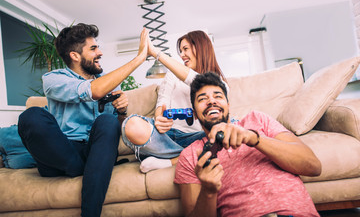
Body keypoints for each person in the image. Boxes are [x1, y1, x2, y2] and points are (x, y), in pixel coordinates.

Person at [17, 23, 149, 217]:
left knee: (107, 121)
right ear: (75, 55)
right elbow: (93, 91)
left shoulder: (109, 82)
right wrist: (139, 58)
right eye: (93, 48)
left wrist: (121, 112)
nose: (100, 52)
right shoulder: (54, 79)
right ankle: (80, 168)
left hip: (95, 156)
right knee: (31, 116)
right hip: (62, 153)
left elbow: (115, 132)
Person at [174, 72, 322, 217]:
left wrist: (254, 138)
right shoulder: (191, 155)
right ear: (194, 113)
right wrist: (208, 191)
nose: (211, 101)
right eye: (202, 99)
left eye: (218, 96)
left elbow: (313, 166)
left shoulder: (258, 120)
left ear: (228, 105)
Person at [122, 30, 227, 173]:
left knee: (230, 127)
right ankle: (187, 154)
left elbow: (200, 82)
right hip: (167, 138)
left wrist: (156, 53)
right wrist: (159, 118)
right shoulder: (172, 75)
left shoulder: (219, 84)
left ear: (201, 48)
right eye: (181, 50)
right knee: (132, 125)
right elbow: (162, 102)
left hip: (198, 139)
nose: (182, 55)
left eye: (185, 49)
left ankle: (169, 161)